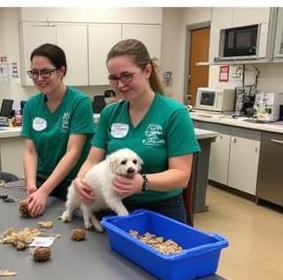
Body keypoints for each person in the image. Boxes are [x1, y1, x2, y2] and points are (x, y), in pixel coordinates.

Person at [69, 38, 198, 225]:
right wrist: (80, 181)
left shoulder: (174, 114)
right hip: (115, 206)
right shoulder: (110, 113)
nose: (120, 85)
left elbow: (181, 175)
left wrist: (143, 182)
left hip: (161, 209)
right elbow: (92, 160)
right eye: (113, 78)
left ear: (147, 70)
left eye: (127, 76)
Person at [21, 43, 94, 216]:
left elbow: (73, 153)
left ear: (62, 71)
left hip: (71, 182)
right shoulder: (31, 105)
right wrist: (32, 186)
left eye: (46, 72)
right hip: (42, 180)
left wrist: (44, 191)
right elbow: (30, 151)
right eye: (34, 73)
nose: (39, 78)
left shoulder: (79, 102)